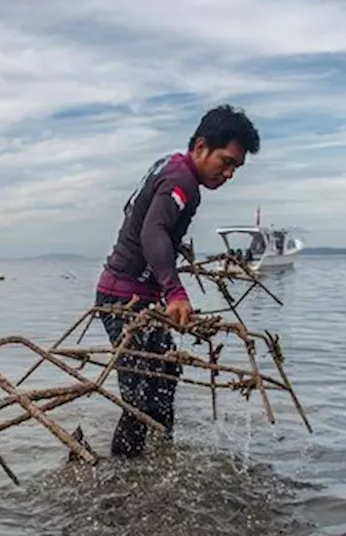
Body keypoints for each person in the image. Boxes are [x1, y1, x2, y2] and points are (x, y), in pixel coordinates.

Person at [94, 104, 260, 457]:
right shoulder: (182, 181)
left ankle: (160, 461)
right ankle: (123, 478)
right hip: (123, 299)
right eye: (226, 161)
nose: (230, 174)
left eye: (237, 167)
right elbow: (152, 230)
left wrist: (173, 248)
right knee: (139, 398)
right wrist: (175, 292)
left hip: (138, 297)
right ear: (201, 146)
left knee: (166, 374)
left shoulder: (170, 166)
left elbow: (140, 217)